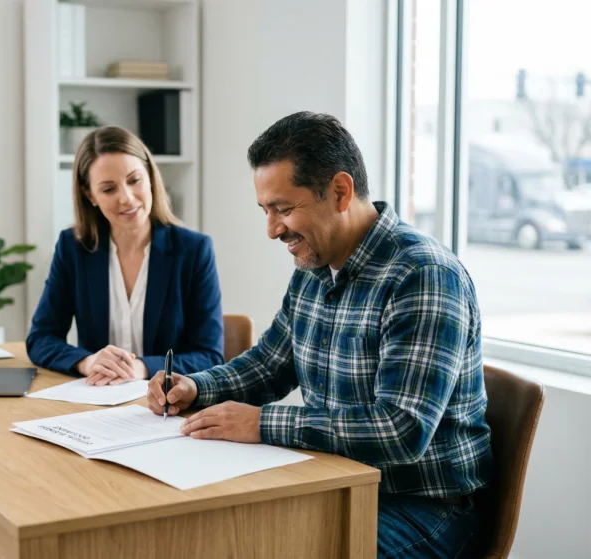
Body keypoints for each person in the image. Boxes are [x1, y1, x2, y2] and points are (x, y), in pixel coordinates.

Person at [147, 112, 493, 558]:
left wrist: (261, 423)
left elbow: (401, 429)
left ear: (340, 191)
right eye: (266, 210)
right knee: (215, 533)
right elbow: (270, 364)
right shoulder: (315, 265)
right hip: (336, 480)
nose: (272, 230)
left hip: (424, 507)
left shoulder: (423, 274)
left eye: (284, 209)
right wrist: (197, 387)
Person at [27, 125, 224, 385]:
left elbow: (210, 355)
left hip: (167, 405)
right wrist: (88, 362)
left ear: (151, 177)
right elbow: (41, 338)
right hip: (95, 401)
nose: (127, 198)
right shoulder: (73, 248)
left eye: (134, 180)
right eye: (109, 189)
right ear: (90, 195)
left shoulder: (194, 250)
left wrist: (142, 368)